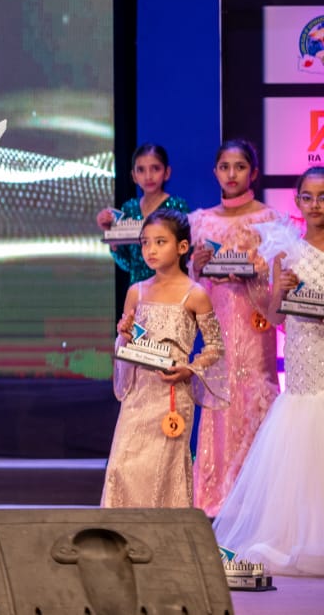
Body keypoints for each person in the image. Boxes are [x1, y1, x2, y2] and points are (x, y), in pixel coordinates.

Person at [211, 167, 324, 576]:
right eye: (308, 197)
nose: (315, 205)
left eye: (323, 197)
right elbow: (275, 317)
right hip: (304, 357)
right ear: (297, 201)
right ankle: (300, 538)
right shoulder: (285, 251)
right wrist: (283, 290)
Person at [101, 209, 225, 508]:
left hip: (172, 397)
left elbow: (215, 347)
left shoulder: (195, 294)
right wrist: (124, 336)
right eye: (145, 242)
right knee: (123, 468)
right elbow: (130, 344)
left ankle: (163, 534)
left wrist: (189, 370)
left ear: (182, 247)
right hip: (138, 397)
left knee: (161, 473)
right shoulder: (136, 292)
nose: (150, 250)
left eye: (160, 242)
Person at [187, 140, 284, 516]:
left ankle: (258, 500)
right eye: (225, 167)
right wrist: (198, 267)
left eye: (240, 167)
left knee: (254, 396)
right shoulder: (201, 221)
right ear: (215, 172)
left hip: (255, 325)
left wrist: (255, 272)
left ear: (253, 173)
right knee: (221, 400)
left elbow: (280, 284)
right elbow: (193, 287)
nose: (232, 174)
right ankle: (217, 496)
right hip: (218, 325)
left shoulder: (269, 220)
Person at [95, 143, 190, 283]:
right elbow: (126, 264)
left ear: (167, 172)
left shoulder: (177, 207)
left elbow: (186, 256)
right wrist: (112, 238)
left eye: (155, 168)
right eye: (141, 170)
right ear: (134, 176)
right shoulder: (129, 209)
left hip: (171, 287)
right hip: (138, 289)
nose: (148, 176)